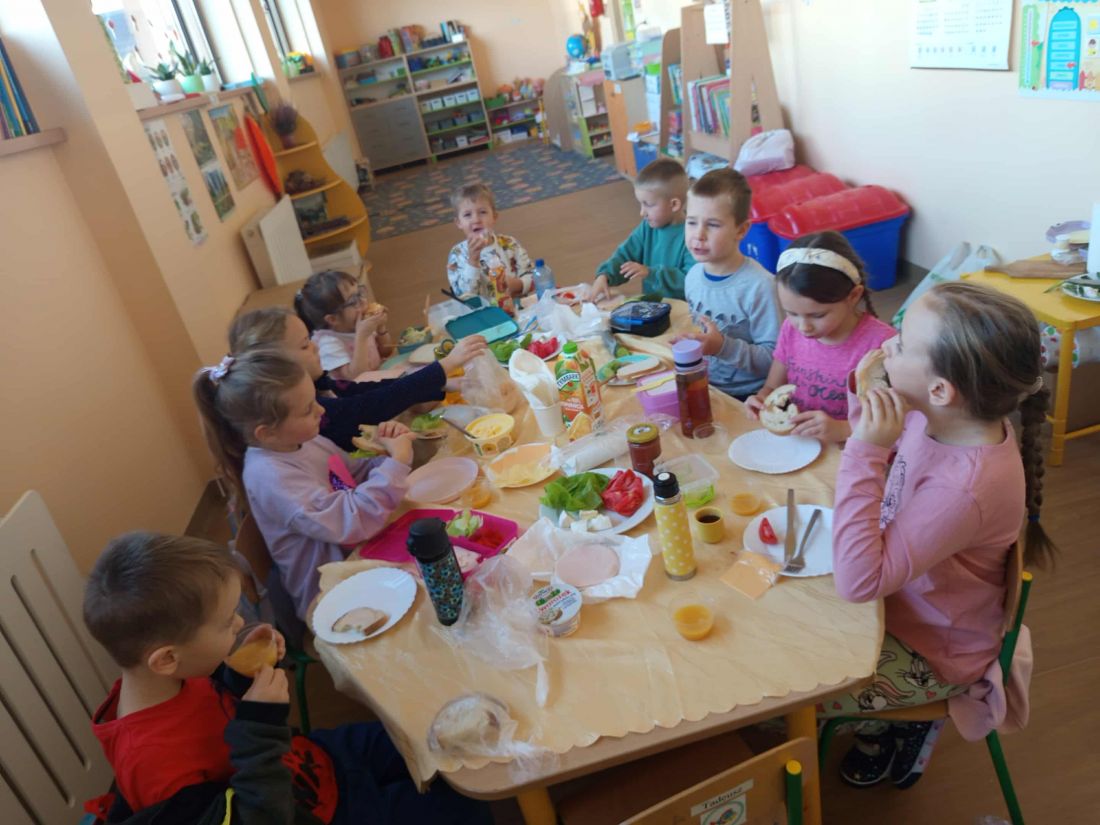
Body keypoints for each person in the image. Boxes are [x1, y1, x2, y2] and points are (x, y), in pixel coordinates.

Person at [83, 531, 492, 824]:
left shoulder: (171, 675)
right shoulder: (156, 770)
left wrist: (241, 675)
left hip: (314, 764)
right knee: (466, 807)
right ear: (166, 658)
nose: (239, 623)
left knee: (427, 735)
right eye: (226, 622)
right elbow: (257, 814)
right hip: (309, 809)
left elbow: (215, 711)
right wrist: (259, 723)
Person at [824, 281, 1056, 788]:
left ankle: (902, 723)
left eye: (902, 343)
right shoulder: (943, 417)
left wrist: (864, 450)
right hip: (903, 599)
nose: (886, 346)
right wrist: (867, 404)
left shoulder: (964, 488)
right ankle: (885, 725)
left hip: (932, 648)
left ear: (940, 391)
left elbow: (858, 583)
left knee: (800, 691)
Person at [193, 349, 414, 620]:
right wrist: (397, 463)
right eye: (308, 408)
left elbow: (355, 475)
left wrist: (387, 454)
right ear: (267, 432)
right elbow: (349, 521)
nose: (321, 410)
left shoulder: (303, 441)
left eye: (315, 400)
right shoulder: (271, 477)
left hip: (357, 555)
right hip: (329, 596)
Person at [228, 307, 486, 452]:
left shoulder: (317, 386)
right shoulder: (312, 407)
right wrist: (445, 365)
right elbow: (371, 405)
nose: (315, 347)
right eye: (305, 345)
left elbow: (362, 390)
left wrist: (441, 383)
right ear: (279, 367)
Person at [744, 231, 895, 442]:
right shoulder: (790, 329)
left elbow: (898, 422)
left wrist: (843, 429)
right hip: (800, 443)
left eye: (817, 315)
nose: (803, 327)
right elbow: (772, 387)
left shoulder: (883, 345)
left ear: (853, 296)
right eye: (791, 313)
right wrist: (761, 400)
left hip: (851, 450)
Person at [672, 168, 779, 400]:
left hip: (750, 396)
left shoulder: (761, 286)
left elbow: (777, 360)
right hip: (706, 383)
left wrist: (722, 347)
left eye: (712, 224)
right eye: (691, 222)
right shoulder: (693, 276)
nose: (698, 234)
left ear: (741, 230)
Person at [590, 157, 695, 302]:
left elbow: (691, 280)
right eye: (641, 204)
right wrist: (605, 275)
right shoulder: (647, 227)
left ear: (674, 204)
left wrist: (651, 273)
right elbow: (625, 255)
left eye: (648, 205)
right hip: (652, 307)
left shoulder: (693, 235)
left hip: (683, 311)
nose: (642, 212)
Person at [445, 182, 534, 309]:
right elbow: (464, 297)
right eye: (467, 215)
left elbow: (533, 276)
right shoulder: (457, 254)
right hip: (482, 316)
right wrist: (473, 261)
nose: (476, 220)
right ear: (459, 223)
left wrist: (518, 284)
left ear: (494, 217)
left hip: (518, 309)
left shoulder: (509, 244)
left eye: (482, 212)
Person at [295, 270, 389, 381]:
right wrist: (361, 337)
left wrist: (381, 328)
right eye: (354, 300)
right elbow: (356, 378)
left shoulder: (359, 326)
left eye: (360, 293)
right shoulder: (329, 344)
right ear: (333, 319)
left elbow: (386, 352)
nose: (363, 301)